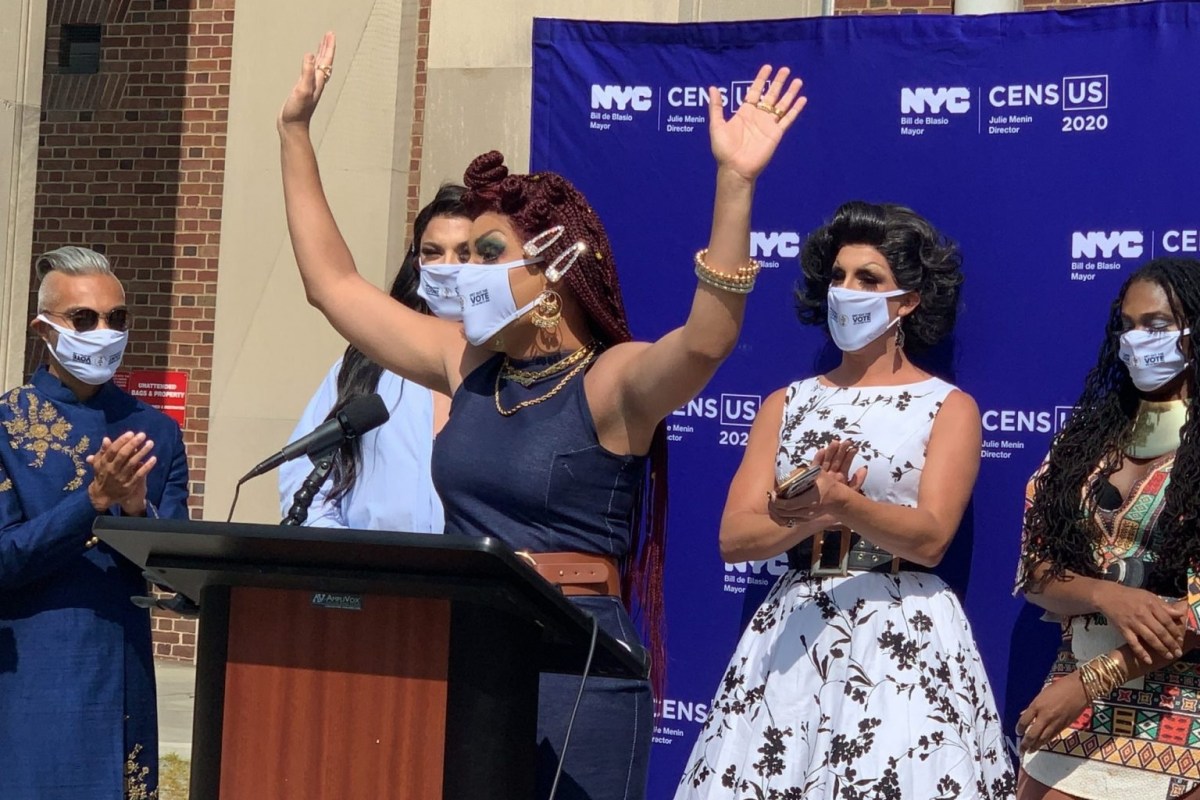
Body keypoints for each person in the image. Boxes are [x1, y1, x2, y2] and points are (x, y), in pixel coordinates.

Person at [278, 32, 804, 800]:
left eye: (490, 253)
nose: (467, 273)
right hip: (464, 645)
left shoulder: (610, 382)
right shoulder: (470, 364)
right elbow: (332, 285)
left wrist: (735, 184)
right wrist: (293, 132)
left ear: (556, 268)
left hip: (573, 663)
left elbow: (707, 340)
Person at [677, 201, 1016, 800]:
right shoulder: (784, 403)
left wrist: (845, 506)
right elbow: (734, 538)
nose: (846, 291)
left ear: (908, 300)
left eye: (869, 279)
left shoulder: (948, 407)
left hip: (903, 637)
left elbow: (933, 537)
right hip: (793, 634)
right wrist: (806, 516)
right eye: (838, 276)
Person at [0, 246, 190, 799]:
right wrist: (93, 501)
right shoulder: (8, 426)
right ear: (44, 329)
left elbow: (177, 573)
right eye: (84, 319)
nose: (103, 331)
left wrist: (136, 511)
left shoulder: (154, 430)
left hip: (123, 672)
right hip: (33, 674)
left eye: (117, 319)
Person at [1015, 258, 1200, 800]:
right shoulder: (1082, 444)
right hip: (1073, 706)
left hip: (1182, 711)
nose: (1139, 339)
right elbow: (1035, 571)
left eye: (1159, 326)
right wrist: (1106, 594)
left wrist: (1092, 680)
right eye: (1129, 325)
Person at [278, 184, 470, 532]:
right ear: (417, 263)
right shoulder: (365, 366)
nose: (448, 267)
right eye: (434, 252)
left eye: (464, 254)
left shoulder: (512, 372)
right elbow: (303, 482)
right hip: (374, 576)